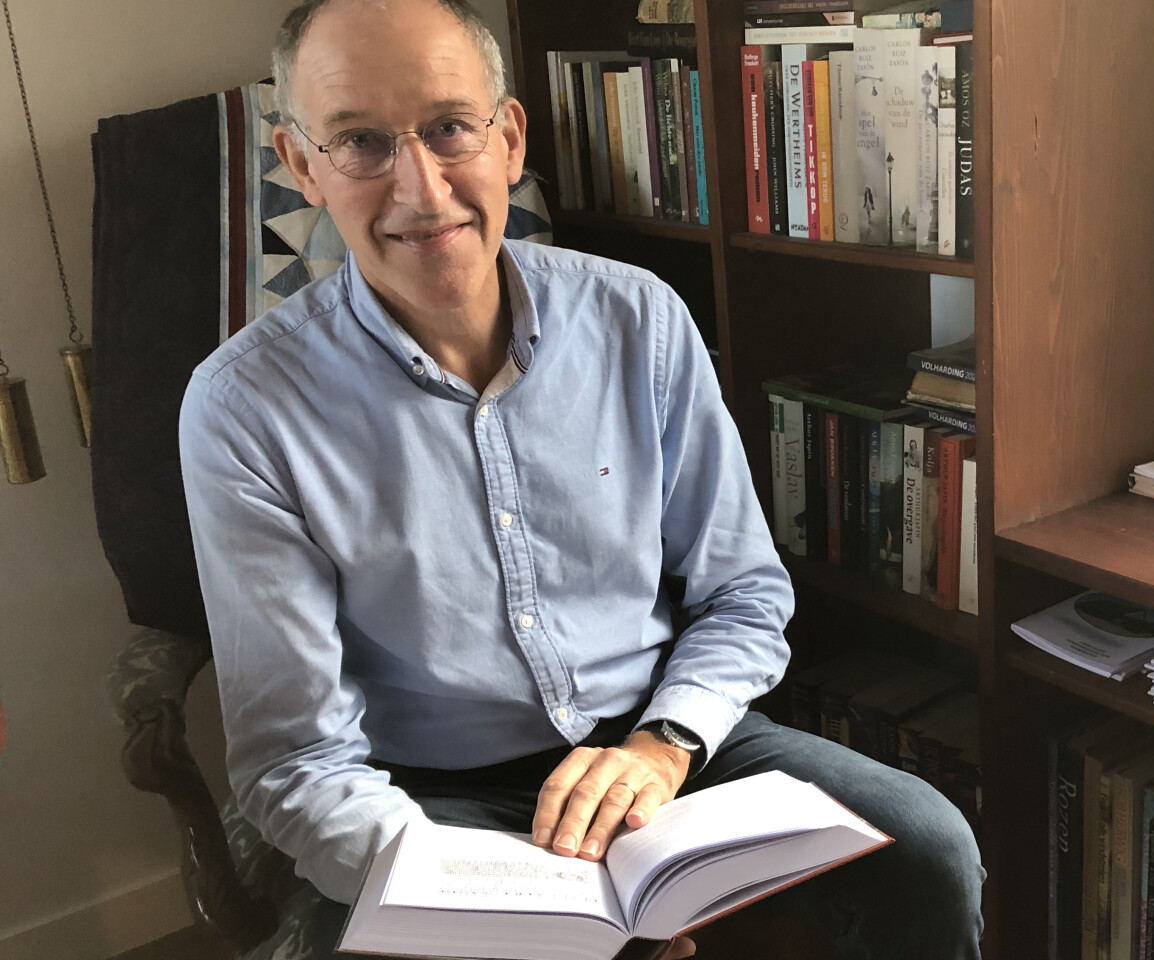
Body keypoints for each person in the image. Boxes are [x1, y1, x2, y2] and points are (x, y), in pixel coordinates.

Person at [176, 0, 985, 957]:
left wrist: (663, 745)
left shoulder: (641, 320)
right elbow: (296, 759)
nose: (422, 190)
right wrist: (503, 903)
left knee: (927, 847)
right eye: (360, 142)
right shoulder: (244, 407)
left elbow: (743, 593)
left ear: (509, 139)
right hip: (424, 797)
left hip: (662, 743)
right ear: (303, 165)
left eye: (450, 127)